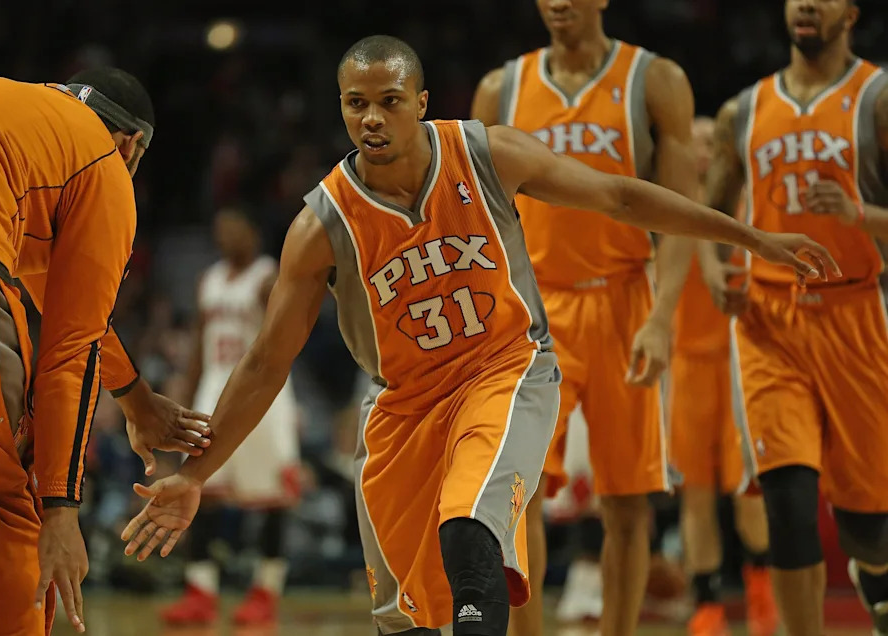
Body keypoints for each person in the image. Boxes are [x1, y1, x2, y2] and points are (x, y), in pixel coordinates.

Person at [122, 35, 835, 636]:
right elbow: (265, 361)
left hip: (505, 370)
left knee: (469, 528)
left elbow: (618, 196)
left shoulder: (487, 153)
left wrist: (748, 236)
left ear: (422, 104)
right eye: (355, 103)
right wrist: (194, 475)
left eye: (388, 102)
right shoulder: (322, 224)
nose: (371, 118)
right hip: (402, 406)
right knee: (403, 616)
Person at [0, 68, 210, 636]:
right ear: (131, 146)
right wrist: (59, 508)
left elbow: (58, 301)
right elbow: (72, 347)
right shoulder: (103, 163)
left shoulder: (4, 119)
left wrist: (133, 399)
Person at [470, 0, 699, 632]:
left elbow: (679, 210)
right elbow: (474, 215)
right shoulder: (502, 87)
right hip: (533, 310)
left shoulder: (654, 80)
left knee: (626, 503)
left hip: (625, 298)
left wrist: (662, 317)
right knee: (521, 496)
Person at [700, 0, 888, 633]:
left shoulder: (878, 99)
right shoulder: (742, 111)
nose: (805, 3)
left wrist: (860, 215)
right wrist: (714, 269)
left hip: (859, 314)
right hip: (770, 321)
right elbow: (709, 216)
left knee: (869, 531)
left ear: (852, 12)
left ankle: (876, 572)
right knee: (787, 503)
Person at [160, 204, 300, 626]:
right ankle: (200, 591)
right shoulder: (210, 280)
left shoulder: (269, 278)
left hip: (262, 398)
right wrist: (184, 398)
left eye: (233, 228)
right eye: (219, 230)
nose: (225, 237)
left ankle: (265, 591)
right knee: (198, 491)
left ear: (253, 232)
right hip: (212, 393)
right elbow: (200, 347)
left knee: (272, 501)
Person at [669, 117, 776, 636]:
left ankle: (761, 588)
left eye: (712, 143)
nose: (704, 152)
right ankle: (707, 603)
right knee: (695, 493)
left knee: (748, 489)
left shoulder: (746, 208)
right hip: (686, 365)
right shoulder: (663, 207)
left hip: (740, 359)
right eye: (694, 144)